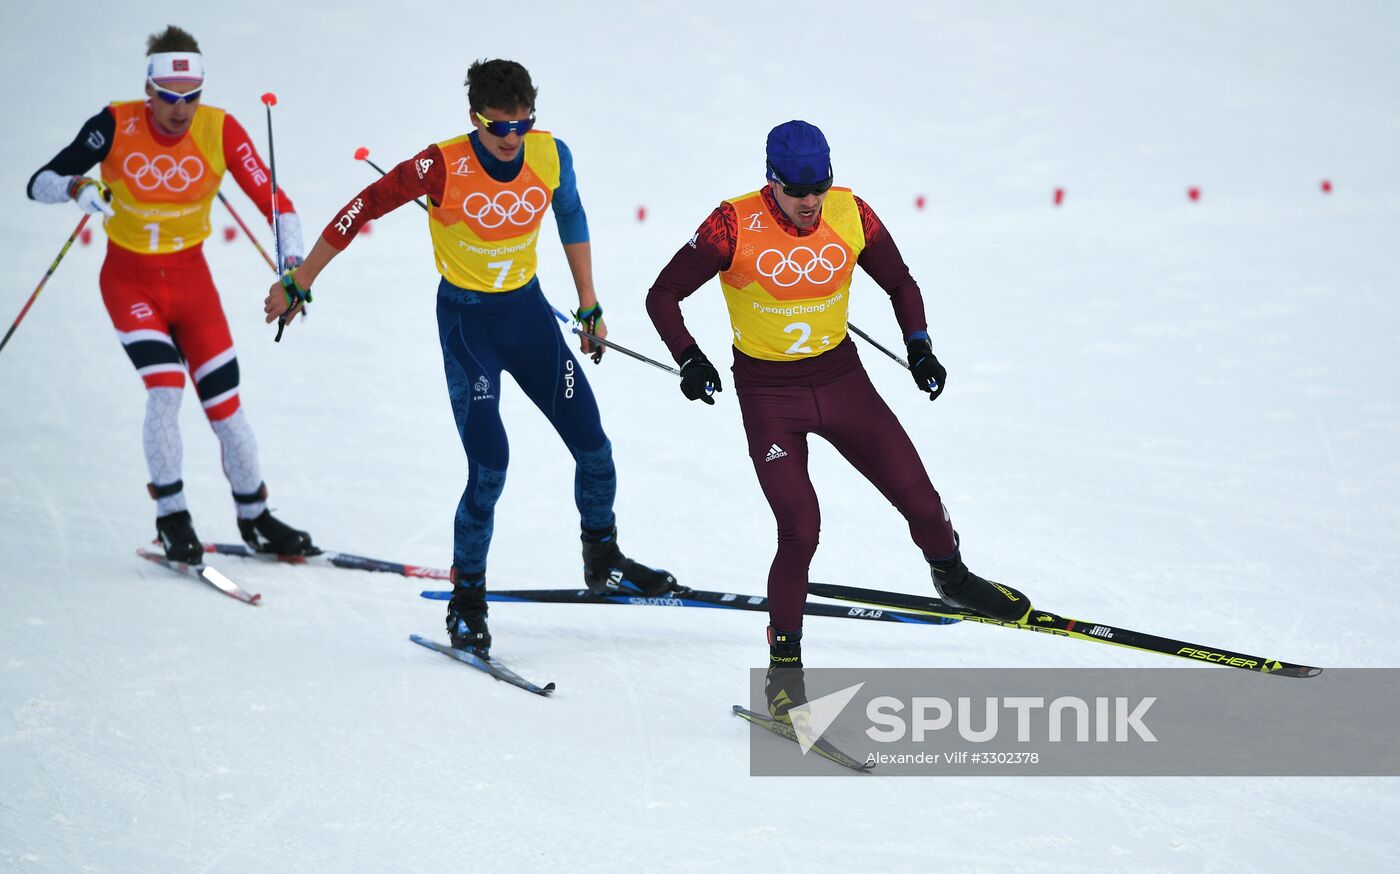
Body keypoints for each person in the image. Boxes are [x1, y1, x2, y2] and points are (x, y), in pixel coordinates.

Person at [263, 58, 676, 656]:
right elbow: (362, 208)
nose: (511, 139)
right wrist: (301, 280)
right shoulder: (440, 164)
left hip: (529, 319)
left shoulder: (550, 153)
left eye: (522, 124)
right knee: (490, 466)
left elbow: (571, 215)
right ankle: (468, 600)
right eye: (497, 127)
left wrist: (589, 304)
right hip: (468, 326)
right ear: (474, 118)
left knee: (594, 445)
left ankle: (604, 560)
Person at [645, 120, 1032, 721]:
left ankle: (952, 577)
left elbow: (899, 281)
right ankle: (784, 679)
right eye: (797, 190)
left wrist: (920, 344)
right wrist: (690, 359)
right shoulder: (730, 224)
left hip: (843, 382)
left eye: (818, 188)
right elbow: (663, 295)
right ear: (770, 181)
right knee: (800, 528)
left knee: (924, 504)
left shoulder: (852, 213)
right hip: (770, 396)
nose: (809, 203)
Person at [26, 25, 315, 564]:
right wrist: (78, 187)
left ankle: (256, 516)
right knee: (165, 387)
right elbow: (40, 180)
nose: (181, 111)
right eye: (169, 98)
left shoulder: (219, 128)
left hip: (192, 284)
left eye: (192, 97)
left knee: (227, 408)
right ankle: (172, 515)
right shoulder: (114, 122)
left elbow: (277, 203)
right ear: (149, 89)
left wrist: (293, 268)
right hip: (129, 280)